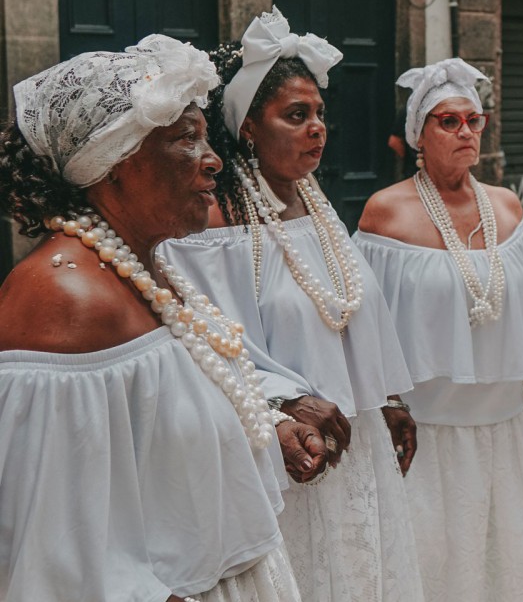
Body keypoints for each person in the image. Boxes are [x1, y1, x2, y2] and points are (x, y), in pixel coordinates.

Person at [0, 36, 316, 601]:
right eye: (185, 139)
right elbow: (55, 547)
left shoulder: (154, 268)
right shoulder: (65, 301)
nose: (214, 159)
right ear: (111, 165)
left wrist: (266, 426)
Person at [157, 8, 425, 602]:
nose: (316, 129)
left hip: (356, 443)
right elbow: (201, 340)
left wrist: (388, 400)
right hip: (286, 453)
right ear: (249, 127)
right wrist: (282, 404)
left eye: (320, 115)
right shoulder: (215, 223)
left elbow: (353, 316)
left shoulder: (317, 207)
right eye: (296, 115)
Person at [354, 58, 523, 602]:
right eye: (448, 122)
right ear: (418, 136)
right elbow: (365, 325)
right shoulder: (386, 213)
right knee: (434, 559)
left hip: (503, 422)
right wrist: (382, 403)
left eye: (473, 121)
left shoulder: (506, 206)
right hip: (427, 429)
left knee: (509, 554)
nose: (465, 132)